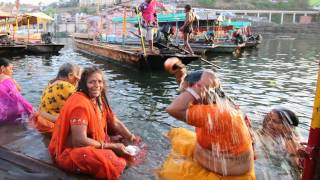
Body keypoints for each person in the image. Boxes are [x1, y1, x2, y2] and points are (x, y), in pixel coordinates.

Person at [159, 68, 255, 178]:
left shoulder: (216, 113)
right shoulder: (217, 105)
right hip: (213, 158)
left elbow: (173, 109)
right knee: (176, 133)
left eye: (187, 92)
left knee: (167, 171)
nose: (183, 96)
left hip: (227, 174)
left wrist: (200, 86)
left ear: (200, 92)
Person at [48, 66, 140, 179]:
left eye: (100, 82)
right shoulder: (80, 105)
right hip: (69, 151)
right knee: (108, 159)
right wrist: (111, 146)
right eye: (92, 82)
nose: (97, 85)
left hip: (90, 141)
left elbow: (114, 121)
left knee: (125, 139)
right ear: (84, 85)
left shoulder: (99, 98)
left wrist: (131, 137)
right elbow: (79, 141)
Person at [33, 63, 81, 133]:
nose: (77, 79)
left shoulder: (50, 84)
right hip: (54, 123)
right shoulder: (67, 86)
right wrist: (80, 82)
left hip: (43, 120)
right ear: (70, 75)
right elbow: (83, 99)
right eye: (77, 76)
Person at [0, 58, 33, 123]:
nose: (12, 71)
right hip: (7, 115)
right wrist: (31, 110)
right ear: (3, 68)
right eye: (10, 68)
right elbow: (19, 97)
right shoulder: (7, 79)